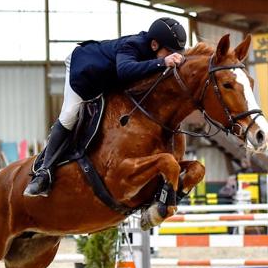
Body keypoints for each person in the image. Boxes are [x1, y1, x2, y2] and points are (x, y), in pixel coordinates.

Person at [24, 17, 188, 197]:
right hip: (84, 71)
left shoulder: (155, 51)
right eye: (170, 51)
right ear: (155, 45)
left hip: (108, 79)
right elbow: (125, 70)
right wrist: (162, 63)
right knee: (70, 114)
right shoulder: (132, 45)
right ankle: (43, 172)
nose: (172, 55)